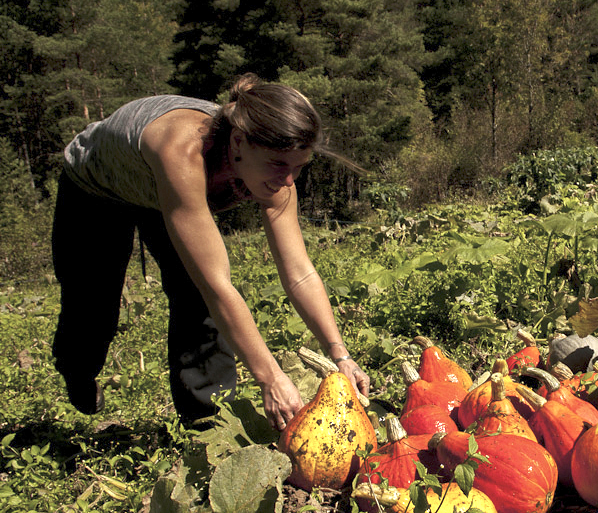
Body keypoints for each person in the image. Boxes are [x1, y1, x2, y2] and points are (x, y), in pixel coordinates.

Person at [52, 72, 370, 430]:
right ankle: (77, 370)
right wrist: (270, 377)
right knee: (91, 300)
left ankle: (208, 423)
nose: (287, 181)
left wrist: (339, 354)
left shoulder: (278, 173)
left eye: (298, 167)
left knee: (195, 297)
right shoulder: (182, 152)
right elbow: (218, 285)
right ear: (238, 143)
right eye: (279, 165)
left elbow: (299, 272)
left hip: (169, 195)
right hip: (96, 188)